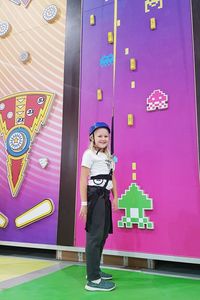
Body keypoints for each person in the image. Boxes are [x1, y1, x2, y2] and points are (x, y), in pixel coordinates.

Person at [79, 122, 118, 292]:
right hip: (95, 197)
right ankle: (93, 281)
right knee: (94, 236)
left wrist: (116, 196)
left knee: (102, 235)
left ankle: (95, 270)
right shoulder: (89, 154)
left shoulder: (109, 157)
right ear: (92, 138)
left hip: (105, 198)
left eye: (106, 136)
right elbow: (82, 179)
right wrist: (84, 204)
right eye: (99, 135)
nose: (103, 138)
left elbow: (112, 177)